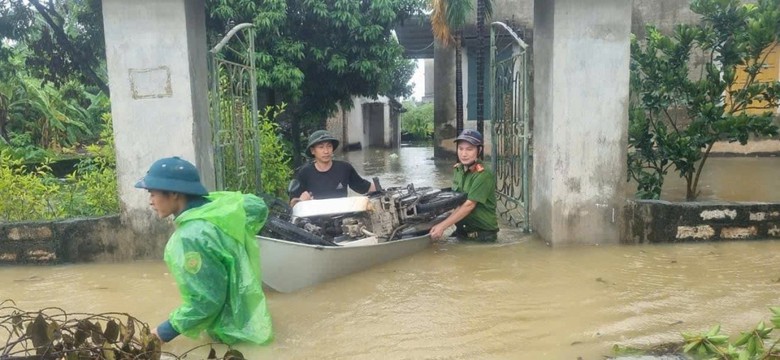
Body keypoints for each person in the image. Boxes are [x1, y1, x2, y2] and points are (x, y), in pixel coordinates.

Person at [134, 156, 273, 345]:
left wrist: (162, 333)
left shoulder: (191, 236)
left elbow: (206, 302)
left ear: (174, 193)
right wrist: (213, 200)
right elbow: (258, 207)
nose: (150, 201)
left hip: (232, 337)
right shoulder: (220, 212)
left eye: (152, 193)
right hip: (254, 320)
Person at [429, 129, 499, 242]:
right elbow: (458, 201)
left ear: (479, 150)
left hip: (482, 236)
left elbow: (469, 205)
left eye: (469, 149)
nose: (464, 154)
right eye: (460, 149)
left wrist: (442, 226)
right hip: (463, 231)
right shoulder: (458, 169)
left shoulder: (483, 175)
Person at [289, 129, 376, 206]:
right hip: (314, 219)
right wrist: (301, 201)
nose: (326, 151)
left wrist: (384, 191)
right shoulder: (305, 172)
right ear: (313, 151)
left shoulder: (344, 168)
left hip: (341, 217)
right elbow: (292, 202)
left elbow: (364, 187)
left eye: (329, 146)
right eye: (321, 147)